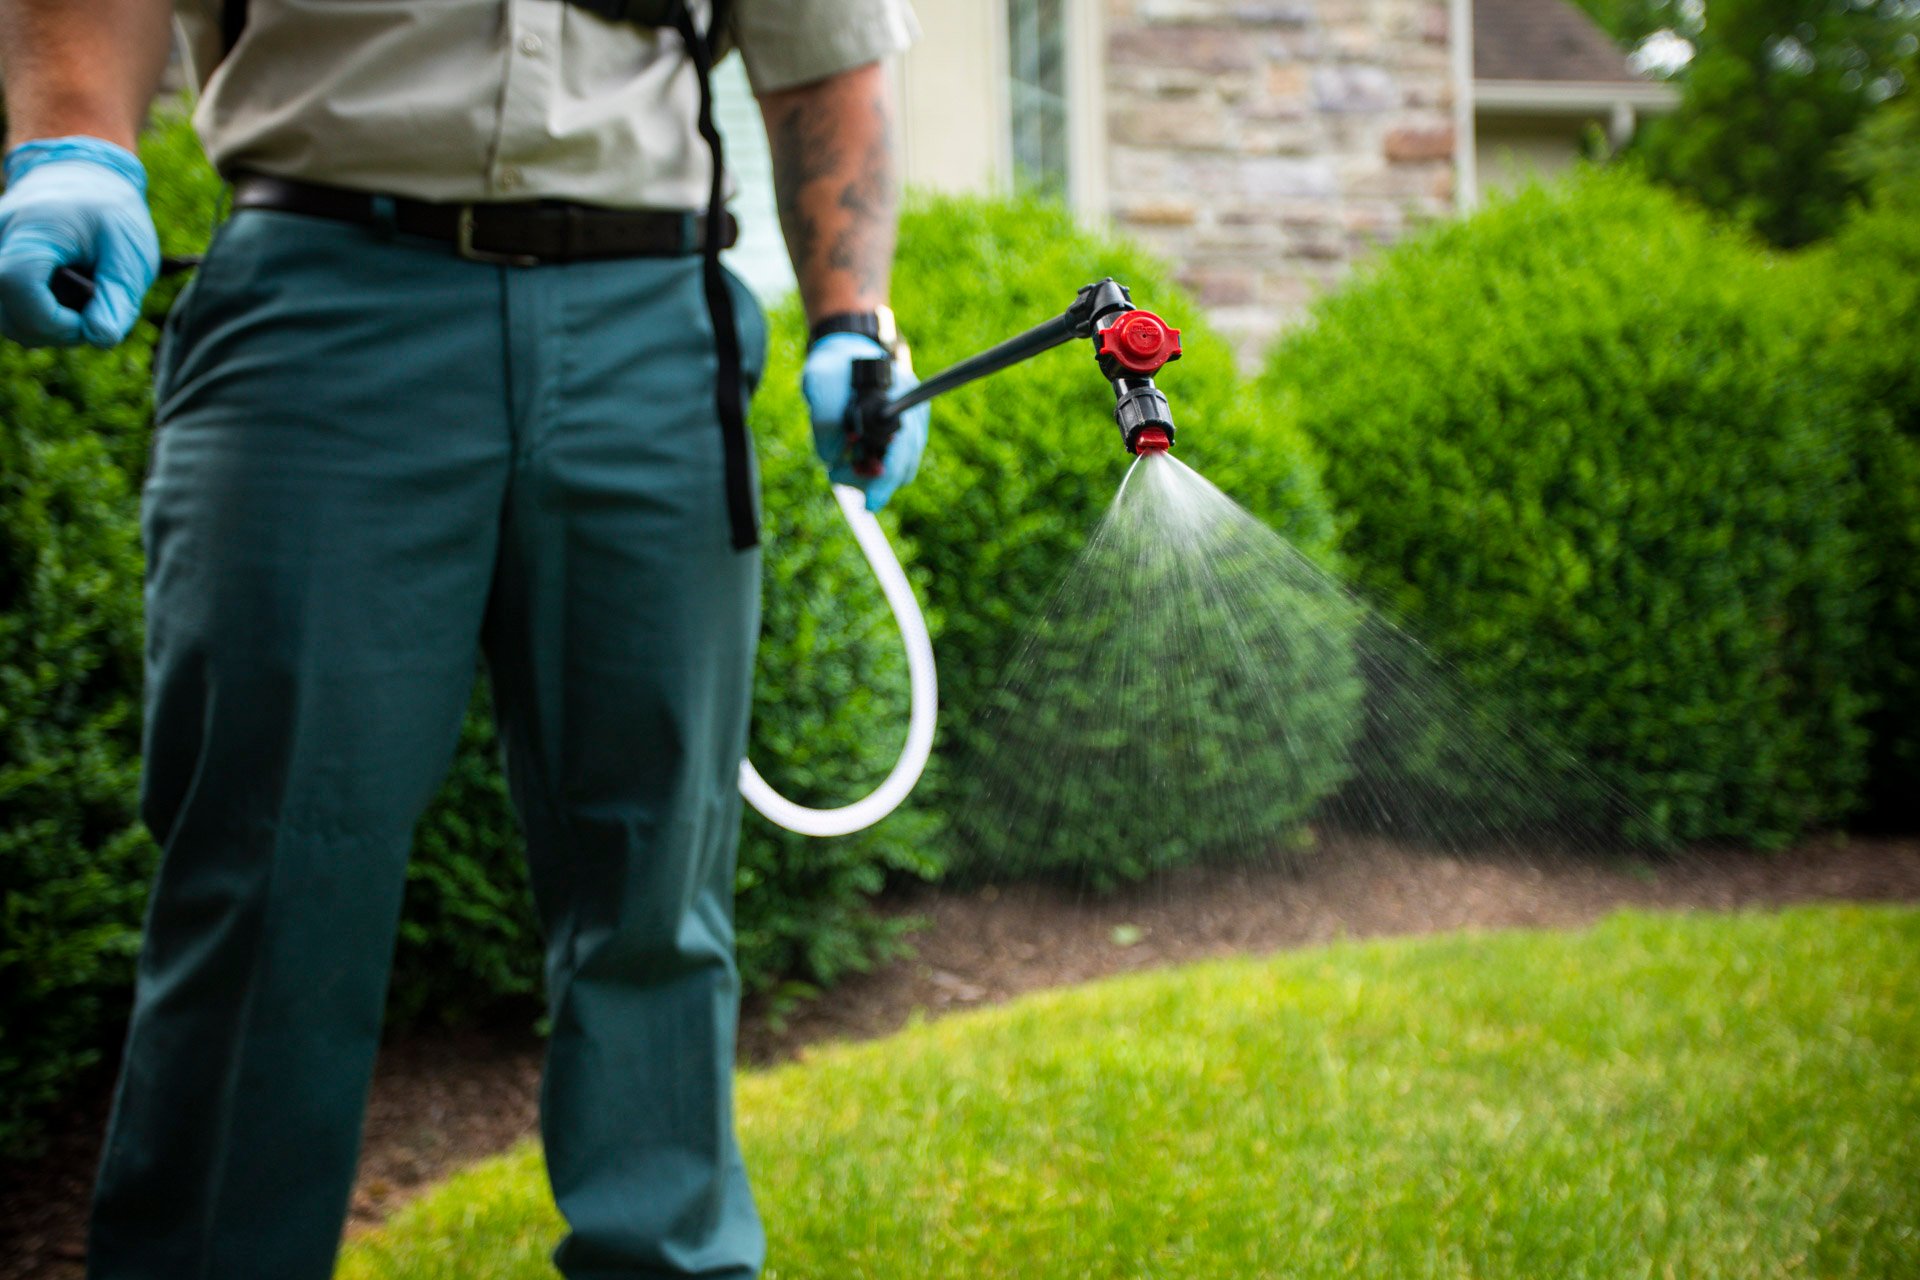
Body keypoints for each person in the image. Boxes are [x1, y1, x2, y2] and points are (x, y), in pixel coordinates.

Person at [0, 0, 929, 1275]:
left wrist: (851, 315)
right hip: (322, 301)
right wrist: (72, 146)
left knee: (654, 881)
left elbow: (822, 46)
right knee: (269, 883)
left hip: (649, 320)